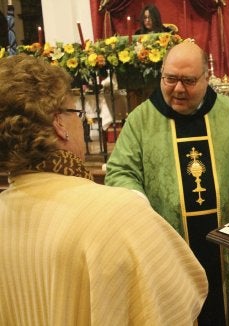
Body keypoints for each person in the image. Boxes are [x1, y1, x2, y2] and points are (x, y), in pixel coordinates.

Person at [0, 54, 207, 325]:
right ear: (59, 124)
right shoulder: (117, 213)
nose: (82, 122)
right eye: (76, 112)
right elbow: (180, 300)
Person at [105, 40, 229, 325]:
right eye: (170, 79)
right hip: (169, 246)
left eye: (189, 81)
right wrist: (137, 202)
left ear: (207, 78)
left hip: (228, 247)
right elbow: (121, 171)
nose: (178, 89)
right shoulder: (140, 120)